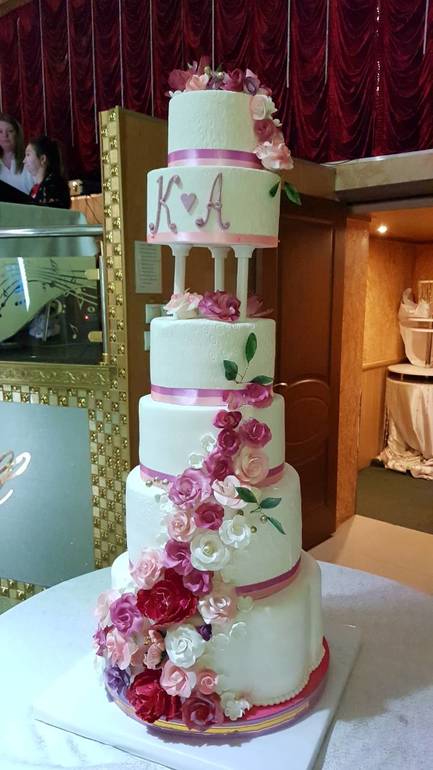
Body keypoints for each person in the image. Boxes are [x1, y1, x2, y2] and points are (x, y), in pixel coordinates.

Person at [24, 135, 71, 209]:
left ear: (42, 159)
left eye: (28, 155)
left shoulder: (54, 186)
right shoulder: (35, 189)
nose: (24, 161)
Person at [0, 113, 34, 194]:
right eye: (0, 131)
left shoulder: (30, 160)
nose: (5, 135)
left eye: (10, 131)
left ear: (17, 134)